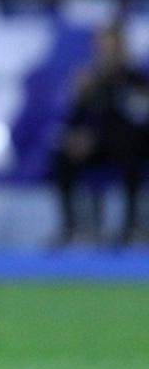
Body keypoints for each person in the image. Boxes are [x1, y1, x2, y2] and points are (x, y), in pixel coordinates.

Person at [51, 21, 149, 246]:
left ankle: (130, 226)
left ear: (121, 47)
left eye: (110, 45)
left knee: (131, 150)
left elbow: (139, 118)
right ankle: (71, 225)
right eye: (100, 46)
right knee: (61, 154)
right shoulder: (89, 80)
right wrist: (74, 134)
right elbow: (75, 118)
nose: (105, 51)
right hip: (98, 146)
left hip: (131, 145)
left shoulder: (135, 79)